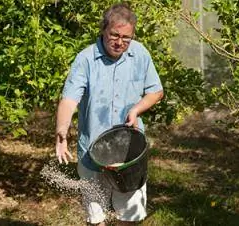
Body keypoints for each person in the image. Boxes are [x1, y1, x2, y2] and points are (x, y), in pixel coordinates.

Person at [54, 3, 163, 226]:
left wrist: (136, 109)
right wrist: (61, 131)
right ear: (104, 29)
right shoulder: (85, 59)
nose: (120, 42)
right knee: (95, 218)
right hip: (92, 152)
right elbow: (69, 99)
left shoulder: (140, 54)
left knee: (130, 216)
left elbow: (156, 91)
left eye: (126, 37)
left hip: (129, 153)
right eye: (114, 34)